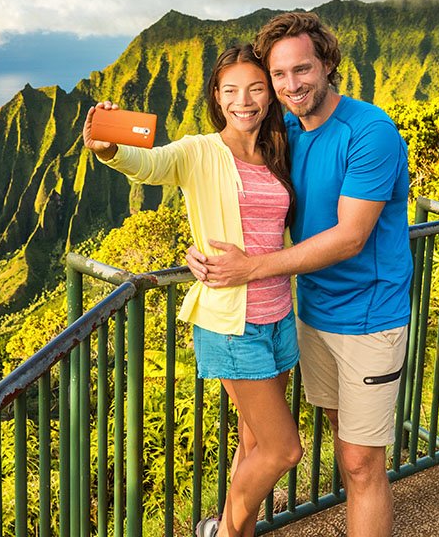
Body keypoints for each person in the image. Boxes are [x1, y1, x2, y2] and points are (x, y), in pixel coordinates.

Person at [187, 12, 411, 537]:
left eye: (302, 70)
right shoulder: (282, 129)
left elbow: (351, 236)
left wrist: (249, 269)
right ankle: (229, 531)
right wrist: (199, 250)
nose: (291, 86)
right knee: (285, 437)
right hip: (308, 312)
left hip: (369, 314)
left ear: (328, 64)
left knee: (359, 461)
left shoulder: (369, 131)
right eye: (279, 76)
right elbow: (232, 190)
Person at [82, 44, 302, 537]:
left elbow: (273, 231)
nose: (243, 100)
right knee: (284, 448)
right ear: (217, 98)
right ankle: (225, 533)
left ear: (269, 95)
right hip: (230, 323)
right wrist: (109, 147)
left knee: (253, 442)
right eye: (230, 91)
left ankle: (225, 531)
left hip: (280, 317)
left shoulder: (278, 148)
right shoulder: (199, 150)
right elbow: (150, 164)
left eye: (255, 88)